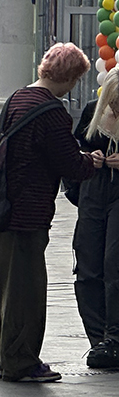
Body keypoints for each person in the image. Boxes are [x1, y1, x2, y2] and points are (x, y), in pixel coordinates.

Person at [0, 42, 101, 383]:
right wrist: (92, 161)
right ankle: (21, 361)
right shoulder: (52, 112)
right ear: (69, 78)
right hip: (29, 211)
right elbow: (69, 163)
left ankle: (1, 356)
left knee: (2, 287)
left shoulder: (18, 98)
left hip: (2, 208)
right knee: (26, 290)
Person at [72, 71, 119, 369]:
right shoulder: (92, 109)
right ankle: (97, 337)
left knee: (114, 263)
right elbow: (75, 148)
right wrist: (90, 156)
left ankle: (114, 336)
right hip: (93, 190)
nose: (115, 109)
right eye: (112, 103)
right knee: (87, 264)